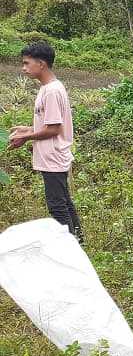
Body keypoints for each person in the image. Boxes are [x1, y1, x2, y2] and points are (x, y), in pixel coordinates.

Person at [9, 41, 83, 243]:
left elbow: (54, 129)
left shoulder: (51, 91)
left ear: (41, 64)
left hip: (53, 156)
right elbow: (50, 123)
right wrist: (29, 129)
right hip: (52, 155)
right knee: (64, 202)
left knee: (57, 206)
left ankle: (69, 249)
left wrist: (26, 137)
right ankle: (79, 242)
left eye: (26, 63)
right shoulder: (49, 88)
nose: (23, 68)